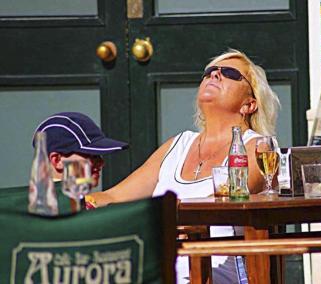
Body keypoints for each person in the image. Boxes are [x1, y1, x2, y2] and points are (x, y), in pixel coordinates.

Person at [89, 49, 281, 283]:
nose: (215, 75)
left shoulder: (259, 147)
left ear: (249, 104)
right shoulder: (177, 145)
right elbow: (115, 196)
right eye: (210, 71)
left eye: (229, 73)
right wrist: (69, 206)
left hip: (213, 273)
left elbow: (233, 197)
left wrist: (160, 217)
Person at [32, 112, 128, 188]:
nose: (101, 163)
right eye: (92, 155)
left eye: (98, 155)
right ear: (57, 160)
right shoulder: (51, 208)